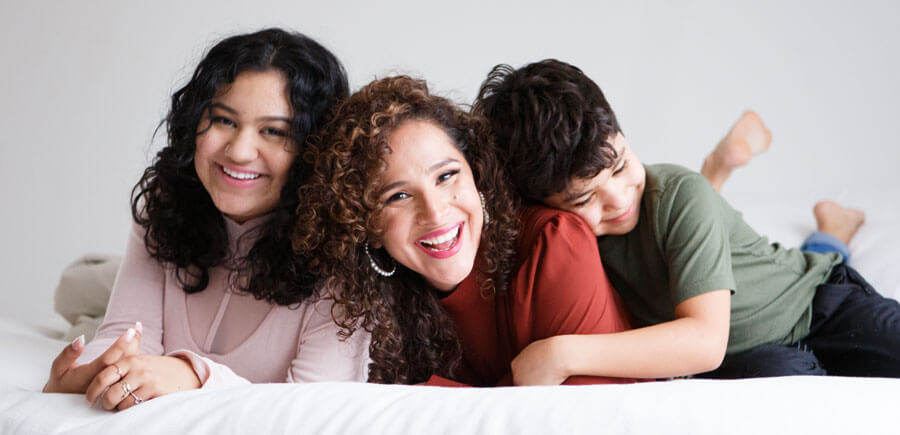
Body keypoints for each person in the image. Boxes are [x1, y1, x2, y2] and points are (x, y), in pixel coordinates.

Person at [472, 58, 900, 383]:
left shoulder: (678, 193)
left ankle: (831, 231)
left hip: (814, 301)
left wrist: (563, 353)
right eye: (585, 197)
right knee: (793, 393)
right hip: (753, 354)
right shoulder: (561, 240)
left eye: (621, 167)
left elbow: (705, 341)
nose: (619, 199)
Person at [42, 28, 369, 410]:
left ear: (314, 149)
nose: (240, 151)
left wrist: (194, 374)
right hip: (135, 275)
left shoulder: (344, 248)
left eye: (274, 131)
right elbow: (125, 341)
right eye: (224, 120)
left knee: (85, 287)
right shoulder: (167, 205)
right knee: (77, 290)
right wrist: (94, 370)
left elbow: (310, 409)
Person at [292, 76, 635, 386]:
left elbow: (581, 414)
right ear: (367, 223)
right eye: (398, 195)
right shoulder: (377, 312)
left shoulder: (554, 241)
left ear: (477, 174)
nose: (435, 212)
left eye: (446, 176)